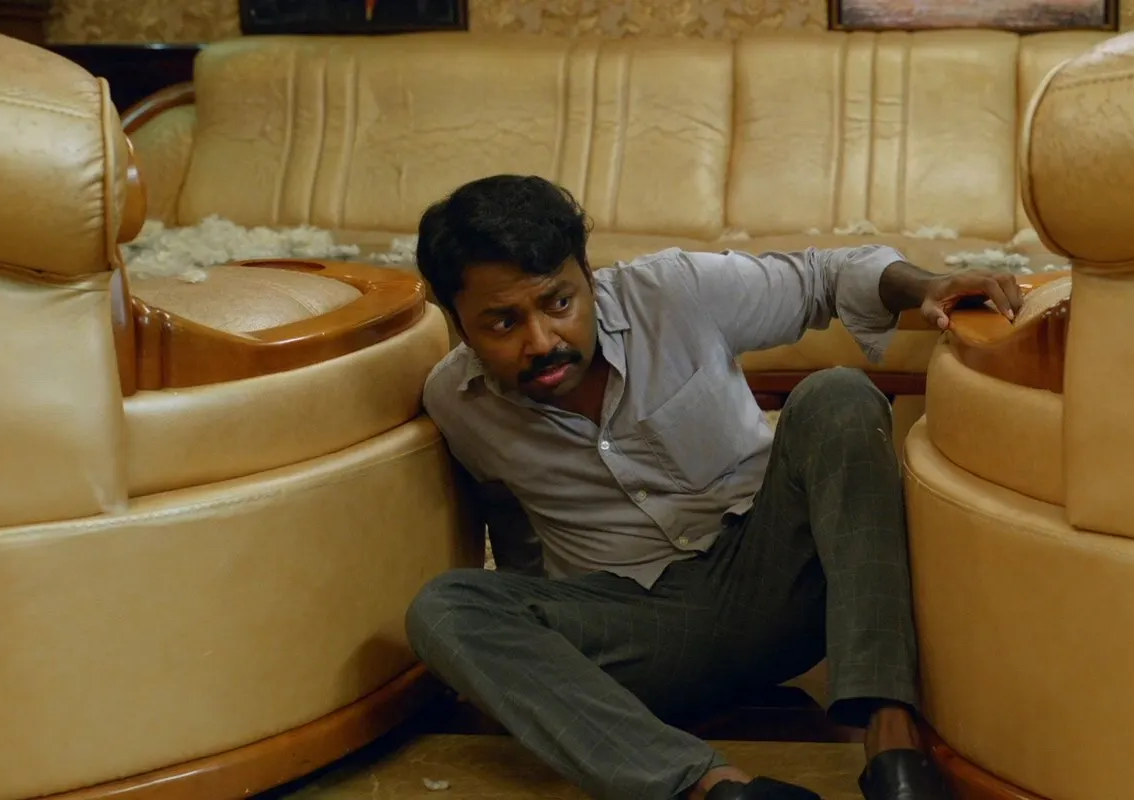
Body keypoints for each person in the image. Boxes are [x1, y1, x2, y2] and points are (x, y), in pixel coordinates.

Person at [403, 174, 1025, 800]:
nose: (541, 342)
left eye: (559, 303)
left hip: (779, 585)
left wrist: (926, 284)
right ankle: (715, 789)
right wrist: (537, 658)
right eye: (502, 323)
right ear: (457, 323)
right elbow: (514, 532)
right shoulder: (456, 402)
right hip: (640, 640)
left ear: (587, 277)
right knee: (444, 609)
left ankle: (894, 744)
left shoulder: (671, 292)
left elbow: (825, 277)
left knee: (837, 395)